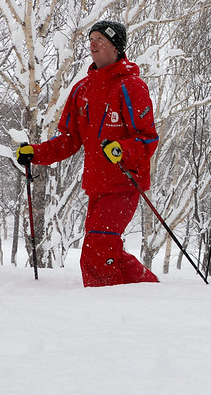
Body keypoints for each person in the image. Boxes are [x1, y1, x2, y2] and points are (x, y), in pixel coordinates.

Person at [15, 20, 160, 287]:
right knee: (106, 248)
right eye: (91, 39)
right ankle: (146, 290)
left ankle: (104, 306)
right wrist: (35, 154)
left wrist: (122, 150)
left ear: (116, 48)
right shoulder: (82, 89)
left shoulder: (131, 86)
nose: (92, 44)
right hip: (96, 184)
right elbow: (69, 140)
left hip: (124, 182)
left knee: (96, 249)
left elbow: (147, 138)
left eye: (100, 40)